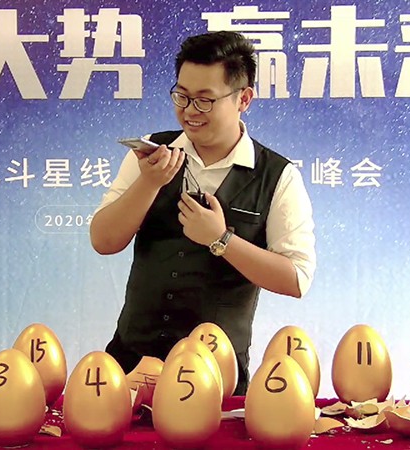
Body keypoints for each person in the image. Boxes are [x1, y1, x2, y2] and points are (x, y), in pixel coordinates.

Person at [89, 31, 316, 395]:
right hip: (130, 367)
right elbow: (103, 241)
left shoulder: (277, 175)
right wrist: (149, 183)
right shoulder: (152, 153)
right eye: (182, 96)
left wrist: (221, 240)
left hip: (217, 380)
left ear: (244, 99)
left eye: (205, 100)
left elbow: (296, 279)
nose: (190, 111)